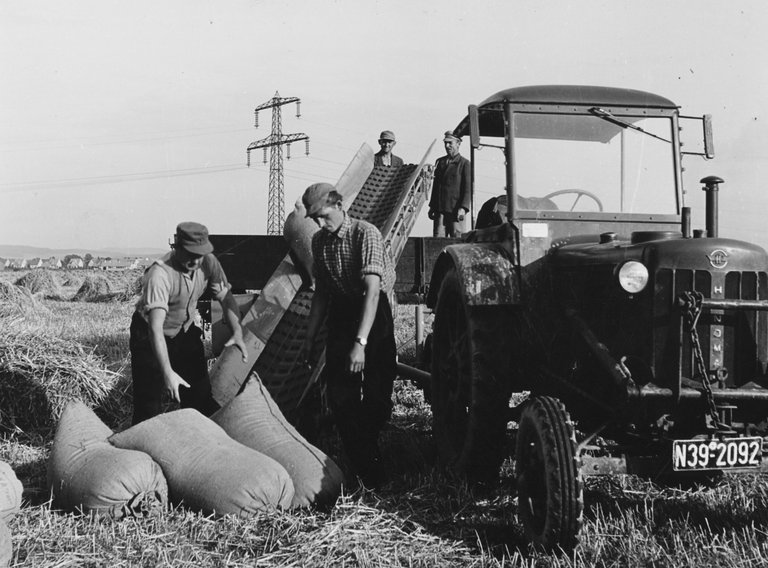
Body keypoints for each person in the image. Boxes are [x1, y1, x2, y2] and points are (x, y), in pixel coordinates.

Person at [299, 183, 397, 489]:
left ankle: (369, 449)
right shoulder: (319, 242)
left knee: (378, 398)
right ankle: (372, 477)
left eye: (323, 216)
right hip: (342, 315)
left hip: (372, 315)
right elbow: (322, 293)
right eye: (314, 218)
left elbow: (372, 291)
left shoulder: (365, 233)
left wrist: (361, 344)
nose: (319, 223)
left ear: (340, 205)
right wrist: (309, 336)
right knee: (342, 399)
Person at [129, 221, 248, 425]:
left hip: (184, 332)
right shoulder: (160, 274)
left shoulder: (208, 262)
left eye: (200, 254)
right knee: (148, 408)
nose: (196, 261)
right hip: (149, 337)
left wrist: (237, 331)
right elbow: (155, 328)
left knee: (201, 400)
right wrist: (167, 373)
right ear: (177, 248)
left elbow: (226, 297)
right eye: (191, 254)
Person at [428, 131, 471, 237]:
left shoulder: (464, 163)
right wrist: (432, 206)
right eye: (445, 143)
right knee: (438, 240)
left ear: (458, 144)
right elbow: (436, 186)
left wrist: (463, 208)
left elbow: (467, 188)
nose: (447, 146)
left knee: (457, 239)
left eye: (450, 143)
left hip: (455, 211)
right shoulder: (440, 162)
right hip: (440, 210)